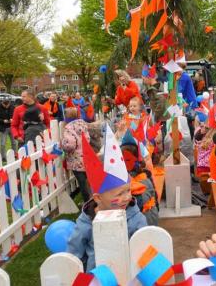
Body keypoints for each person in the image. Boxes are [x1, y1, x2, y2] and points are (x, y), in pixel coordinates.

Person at [67, 127, 147, 271]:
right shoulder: (86, 221)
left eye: (128, 190)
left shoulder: (136, 218)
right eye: (119, 194)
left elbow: (145, 249)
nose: (127, 197)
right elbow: (75, 255)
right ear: (98, 198)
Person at [120, 130, 159, 226]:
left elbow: (138, 206)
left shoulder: (138, 183)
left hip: (145, 222)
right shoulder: (146, 174)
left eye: (127, 160)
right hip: (153, 216)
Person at [62, 107, 92, 202]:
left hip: (76, 160)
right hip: (86, 156)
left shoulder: (69, 129)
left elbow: (70, 145)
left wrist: (62, 145)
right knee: (89, 181)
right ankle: (94, 198)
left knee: (82, 183)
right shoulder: (82, 125)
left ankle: (87, 202)